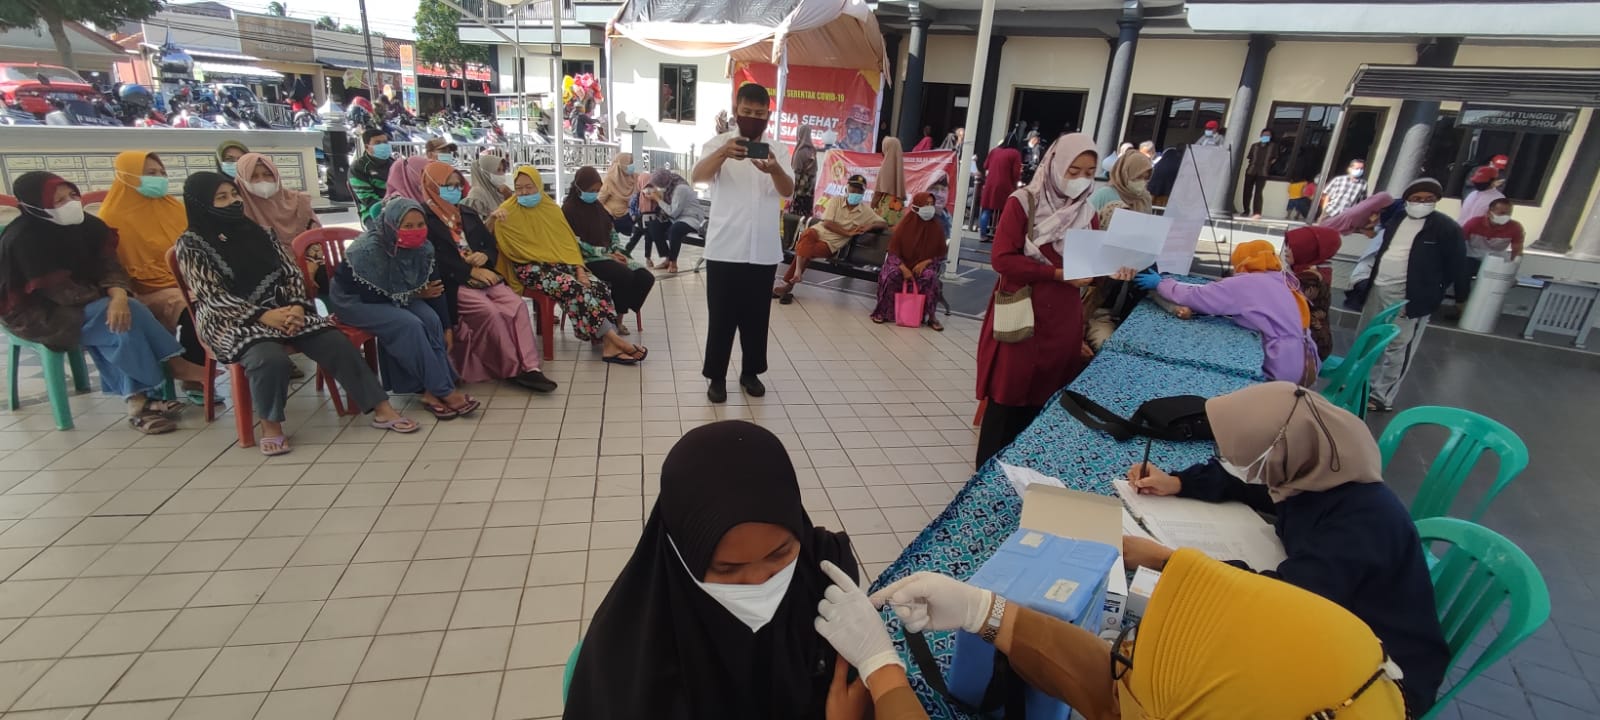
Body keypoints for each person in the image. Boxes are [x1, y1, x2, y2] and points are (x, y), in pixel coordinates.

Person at [815, 520, 1411, 720]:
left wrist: (883, 672)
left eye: (1138, 662)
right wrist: (988, 612)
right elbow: (1111, 694)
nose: (1120, 653)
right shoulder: (1348, 681)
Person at [1122, 382, 1447, 715]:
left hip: (1379, 684)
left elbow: (1279, 596)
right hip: (1334, 630)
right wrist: (1178, 482)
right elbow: (1252, 484)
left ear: (1280, 453)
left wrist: (1168, 560)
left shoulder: (1360, 523)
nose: (1238, 465)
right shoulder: (1318, 471)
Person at [565, 420, 859, 719]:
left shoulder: (827, 574)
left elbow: (858, 679)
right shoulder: (631, 670)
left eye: (780, 554)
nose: (759, 581)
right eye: (728, 570)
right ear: (680, 556)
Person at [175, 173, 420, 455]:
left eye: (234, 194)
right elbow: (211, 295)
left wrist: (296, 306)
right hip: (230, 320)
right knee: (268, 357)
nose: (233, 202)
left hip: (285, 310)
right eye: (222, 198)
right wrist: (262, 316)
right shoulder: (191, 245)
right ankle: (271, 425)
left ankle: (382, 408)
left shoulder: (260, 232)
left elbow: (291, 273)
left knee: (334, 341)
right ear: (201, 203)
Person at [0, 171, 204, 435]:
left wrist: (118, 295)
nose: (71, 203)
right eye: (59, 200)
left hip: (93, 303)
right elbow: (62, 293)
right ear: (35, 205)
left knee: (121, 321)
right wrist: (115, 300)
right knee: (121, 316)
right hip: (39, 313)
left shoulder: (89, 226)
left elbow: (111, 266)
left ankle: (140, 404)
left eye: (72, 195)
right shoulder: (24, 238)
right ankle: (171, 365)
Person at [977, 134, 1130, 467]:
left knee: (1044, 400)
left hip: (1062, 319)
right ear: (1055, 165)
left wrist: (1118, 268)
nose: (1081, 179)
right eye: (1073, 171)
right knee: (1008, 396)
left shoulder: (1086, 213)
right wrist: (1057, 274)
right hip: (1022, 311)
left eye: (1089, 173)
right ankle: (987, 476)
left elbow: (1090, 270)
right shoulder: (1023, 203)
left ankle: (1024, 474)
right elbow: (1002, 260)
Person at [403, 160, 556, 391]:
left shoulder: (466, 212)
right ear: (432, 185)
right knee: (489, 312)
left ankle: (531, 367)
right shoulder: (423, 218)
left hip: (483, 276)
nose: (455, 190)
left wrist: (485, 256)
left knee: (516, 306)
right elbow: (431, 258)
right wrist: (469, 271)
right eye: (448, 185)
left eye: (458, 185)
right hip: (452, 282)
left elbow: (488, 244)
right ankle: (513, 369)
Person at [326, 198, 481, 419]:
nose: (416, 231)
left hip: (402, 294)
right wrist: (415, 294)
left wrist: (446, 326)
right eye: (407, 226)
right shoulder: (368, 250)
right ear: (391, 224)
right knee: (409, 324)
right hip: (356, 300)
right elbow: (372, 294)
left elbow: (435, 287)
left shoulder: (424, 248)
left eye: (420, 224)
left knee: (431, 319)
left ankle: (430, 392)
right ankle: (444, 390)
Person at [690, 82, 794, 403]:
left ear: (768, 115)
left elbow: (788, 190)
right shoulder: (717, 144)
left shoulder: (778, 149)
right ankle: (716, 377)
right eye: (747, 111)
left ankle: (751, 372)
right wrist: (723, 153)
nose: (753, 118)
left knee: (757, 318)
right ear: (737, 111)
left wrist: (775, 169)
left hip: (763, 250)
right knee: (721, 317)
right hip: (725, 247)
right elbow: (698, 177)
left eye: (759, 113)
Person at [494, 166, 648, 365]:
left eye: (529, 187)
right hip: (531, 268)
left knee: (597, 286)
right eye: (519, 188)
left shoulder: (550, 209)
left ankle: (609, 344)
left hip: (560, 264)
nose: (524, 192)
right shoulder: (508, 211)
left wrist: (579, 269)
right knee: (575, 288)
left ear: (538, 186)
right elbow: (503, 243)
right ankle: (615, 341)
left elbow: (567, 245)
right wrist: (493, 218)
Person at [97, 151, 210, 400]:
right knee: (193, 307)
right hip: (143, 291)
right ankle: (192, 375)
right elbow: (113, 270)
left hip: (186, 280)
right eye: (150, 173)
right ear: (128, 176)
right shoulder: (111, 218)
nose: (158, 179)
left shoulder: (174, 208)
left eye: (162, 173)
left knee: (216, 297)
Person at [1137, 240, 1318, 385]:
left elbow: (1197, 296)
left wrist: (1161, 284)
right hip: (1308, 357)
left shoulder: (1247, 283)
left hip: (1281, 364)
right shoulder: (1283, 279)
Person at [1360, 177, 1464, 412]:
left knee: (1398, 345)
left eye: (1428, 199)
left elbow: (1456, 267)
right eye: (1416, 199)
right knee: (1368, 338)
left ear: (1436, 201)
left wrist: (1430, 297)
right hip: (1379, 286)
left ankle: (1382, 395)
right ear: (1407, 200)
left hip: (1409, 295)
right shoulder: (1398, 218)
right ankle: (1358, 382)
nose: (1421, 203)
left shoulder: (1446, 228)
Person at [564, 166, 657, 328]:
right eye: (591, 190)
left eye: (597, 190)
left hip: (609, 254)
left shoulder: (598, 207)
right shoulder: (568, 210)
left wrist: (617, 250)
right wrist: (606, 254)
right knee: (624, 275)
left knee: (645, 278)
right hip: (587, 259)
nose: (594, 194)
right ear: (579, 187)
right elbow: (574, 242)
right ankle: (615, 321)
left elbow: (611, 231)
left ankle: (617, 313)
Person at [1084, 150, 1157, 349]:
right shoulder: (1105, 197)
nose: (1142, 183)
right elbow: (1087, 232)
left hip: (1125, 293)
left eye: (1146, 178)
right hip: (1097, 302)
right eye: (1138, 177)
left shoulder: (1144, 199)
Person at [776, 175, 886, 304]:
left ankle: (790, 280)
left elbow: (883, 223)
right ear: (847, 188)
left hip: (830, 244)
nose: (855, 193)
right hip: (817, 232)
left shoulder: (865, 211)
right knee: (808, 234)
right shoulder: (836, 201)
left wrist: (870, 226)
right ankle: (794, 276)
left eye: (859, 191)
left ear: (863, 193)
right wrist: (847, 232)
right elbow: (827, 223)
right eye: (853, 189)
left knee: (805, 249)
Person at [869, 193, 946, 331]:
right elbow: (892, 252)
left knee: (930, 276)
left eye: (931, 204)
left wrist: (925, 262)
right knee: (892, 274)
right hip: (900, 264)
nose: (929, 208)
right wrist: (903, 268)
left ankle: (931, 317)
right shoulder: (905, 226)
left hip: (922, 267)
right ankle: (883, 312)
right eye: (926, 204)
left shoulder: (936, 228)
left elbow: (940, 254)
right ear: (917, 206)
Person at [235, 152, 320, 250]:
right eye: (253, 176)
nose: (262, 180)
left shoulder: (299, 202)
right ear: (241, 180)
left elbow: (317, 238)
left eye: (268, 174)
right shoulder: (237, 209)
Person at [1284, 226, 1342, 361]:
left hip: (1311, 347)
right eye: (1287, 245)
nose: (1286, 250)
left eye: (1293, 247)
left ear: (1308, 250)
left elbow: (1279, 302)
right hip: (1313, 339)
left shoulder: (1310, 279)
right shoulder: (1314, 270)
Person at [1456, 197, 1525, 305]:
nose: (1506, 216)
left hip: (1497, 260)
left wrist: (1512, 272)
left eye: (1509, 213)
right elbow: (1458, 244)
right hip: (1472, 257)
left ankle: (1483, 306)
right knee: (1461, 273)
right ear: (1489, 212)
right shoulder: (1474, 223)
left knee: (1499, 281)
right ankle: (1461, 304)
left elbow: (1517, 251)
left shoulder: (1515, 227)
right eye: (1502, 213)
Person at [644, 167, 702, 274]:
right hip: (676, 218)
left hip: (690, 218)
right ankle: (667, 257)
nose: (658, 187)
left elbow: (673, 212)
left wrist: (657, 199)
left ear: (663, 182)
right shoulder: (669, 186)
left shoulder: (680, 189)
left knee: (675, 230)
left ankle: (673, 262)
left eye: (658, 184)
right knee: (653, 226)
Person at [978, 137, 1022, 242]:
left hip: (990, 184)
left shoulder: (994, 151)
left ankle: (983, 235)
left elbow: (985, 165)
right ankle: (999, 235)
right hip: (1005, 185)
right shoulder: (1015, 153)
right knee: (1004, 212)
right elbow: (1016, 173)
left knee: (986, 210)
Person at [349, 128, 394, 225]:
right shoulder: (358, 168)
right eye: (378, 143)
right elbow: (368, 199)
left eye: (385, 142)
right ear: (367, 147)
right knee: (385, 231)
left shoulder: (394, 164)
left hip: (397, 207)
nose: (383, 145)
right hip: (372, 211)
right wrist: (389, 207)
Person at [1241, 128, 1279, 218]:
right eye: (1264, 135)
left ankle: (1257, 213)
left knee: (1258, 193)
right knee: (1247, 192)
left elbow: (1275, 158)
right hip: (1251, 171)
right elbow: (1250, 157)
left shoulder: (1273, 146)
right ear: (1261, 135)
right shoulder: (1254, 146)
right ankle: (1246, 210)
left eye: (1268, 135)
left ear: (1271, 137)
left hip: (1263, 172)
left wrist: (1268, 164)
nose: (1266, 136)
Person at [462, 151, 512, 219]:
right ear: (485, 173)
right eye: (498, 170)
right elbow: (475, 223)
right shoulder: (476, 195)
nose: (502, 174)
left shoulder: (497, 190)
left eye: (503, 170)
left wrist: (509, 197)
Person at [596, 152, 636, 235]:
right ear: (621, 165)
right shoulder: (610, 180)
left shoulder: (635, 177)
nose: (632, 166)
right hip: (611, 214)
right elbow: (600, 200)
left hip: (628, 215)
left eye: (632, 163)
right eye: (630, 163)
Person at [871, 137, 907, 227]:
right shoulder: (899, 166)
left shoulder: (885, 167)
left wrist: (871, 208)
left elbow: (878, 193)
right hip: (897, 209)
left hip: (885, 209)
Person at [790, 125, 819, 217]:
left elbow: (796, 171)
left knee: (796, 215)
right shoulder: (812, 151)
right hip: (809, 190)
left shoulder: (800, 151)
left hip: (800, 190)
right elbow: (815, 170)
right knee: (806, 214)